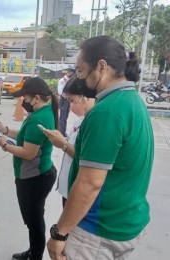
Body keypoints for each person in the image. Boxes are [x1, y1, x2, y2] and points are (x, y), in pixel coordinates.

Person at [47, 35, 154, 260]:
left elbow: (90, 183)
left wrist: (59, 233)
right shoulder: (133, 101)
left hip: (98, 231)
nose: (79, 78)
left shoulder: (107, 111)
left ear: (102, 67)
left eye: (81, 71)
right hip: (126, 222)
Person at [0, 77, 59, 260]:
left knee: (35, 222)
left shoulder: (40, 117)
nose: (23, 102)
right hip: (38, 174)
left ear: (36, 98)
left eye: (25, 98)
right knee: (34, 219)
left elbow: (28, 153)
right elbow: (25, 136)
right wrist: (5, 130)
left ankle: (35, 256)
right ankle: (33, 251)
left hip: (34, 177)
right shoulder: (41, 113)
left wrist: (4, 145)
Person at [42, 75, 95, 207]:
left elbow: (86, 156)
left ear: (85, 98)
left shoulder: (94, 124)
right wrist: (62, 139)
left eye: (72, 101)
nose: (70, 107)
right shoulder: (80, 120)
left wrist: (64, 145)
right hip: (67, 189)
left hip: (78, 193)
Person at [57, 67, 75, 137]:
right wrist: (68, 97)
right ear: (68, 72)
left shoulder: (70, 80)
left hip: (68, 101)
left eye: (73, 72)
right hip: (64, 100)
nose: (72, 73)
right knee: (62, 117)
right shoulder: (62, 80)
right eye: (71, 72)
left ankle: (63, 132)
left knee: (66, 117)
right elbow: (60, 92)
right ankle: (61, 132)